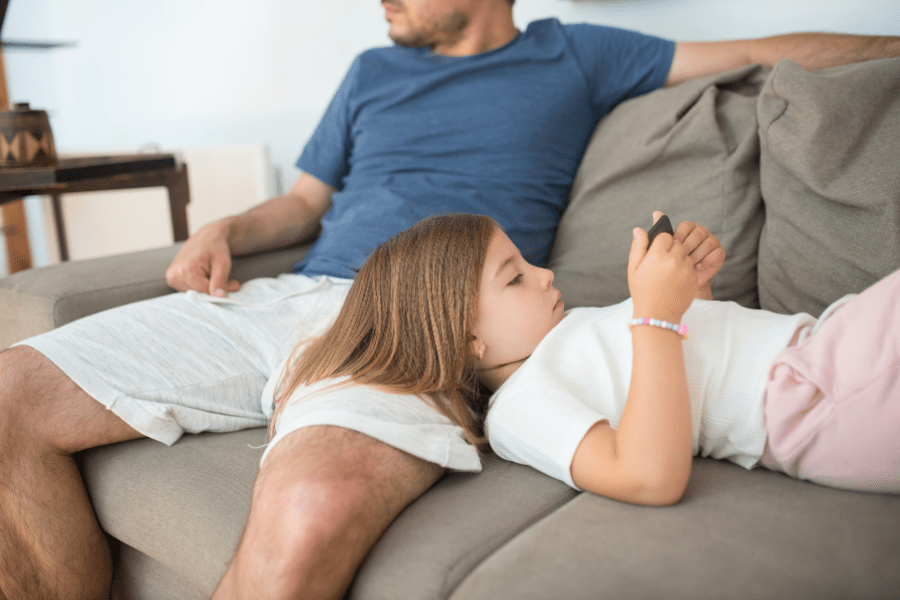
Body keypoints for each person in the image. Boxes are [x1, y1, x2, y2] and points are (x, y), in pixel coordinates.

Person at [1, 0, 899, 597]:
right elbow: (306, 203)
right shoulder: (367, 72)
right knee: (8, 398)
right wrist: (224, 228)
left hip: (425, 328)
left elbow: (759, 51)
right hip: (286, 295)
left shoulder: (574, 52)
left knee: (307, 517)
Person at [280, 213, 898, 508]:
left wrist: (692, 292)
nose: (545, 273)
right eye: (515, 278)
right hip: (820, 397)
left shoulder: (565, 335)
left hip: (825, 356)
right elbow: (650, 475)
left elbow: (690, 379)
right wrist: (654, 315)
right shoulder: (518, 410)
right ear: (469, 344)